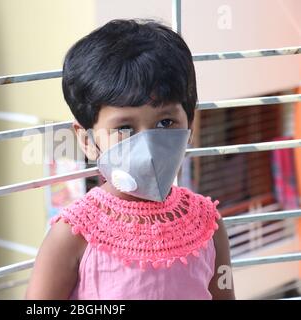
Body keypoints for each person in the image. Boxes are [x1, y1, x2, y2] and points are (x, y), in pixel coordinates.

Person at [26, 18, 235, 300]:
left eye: (165, 122)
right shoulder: (72, 236)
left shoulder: (208, 225)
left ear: (190, 124)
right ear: (87, 140)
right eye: (124, 128)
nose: (148, 145)